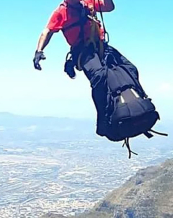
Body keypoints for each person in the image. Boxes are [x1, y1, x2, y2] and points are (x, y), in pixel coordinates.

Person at [33, 0, 141, 137]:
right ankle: (103, 120)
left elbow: (109, 7)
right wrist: (39, 50)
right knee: (100, 76)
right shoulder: (61, 12)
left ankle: (138, 102)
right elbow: (47, 31)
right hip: (82, 50)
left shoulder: (89, 1)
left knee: (131, 69)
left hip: (101, 46)